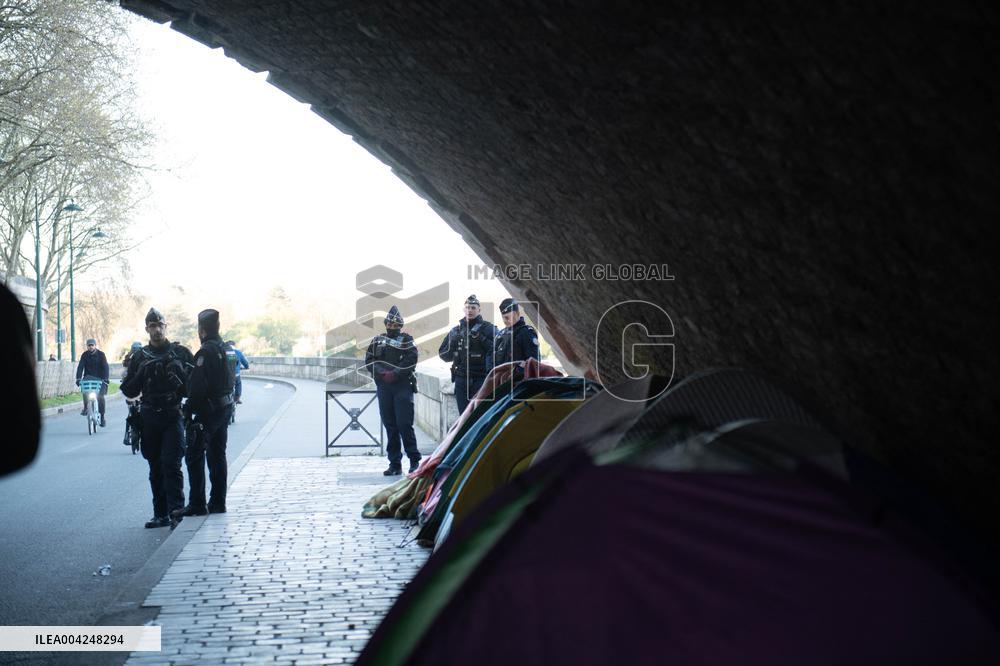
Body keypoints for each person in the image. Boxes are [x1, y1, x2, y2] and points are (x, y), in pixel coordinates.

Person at [121, 308, 194, 529]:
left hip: (173, 414)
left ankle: (176, 511)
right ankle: (160, 513)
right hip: (150, 416)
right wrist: (142, 372)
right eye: (153, 326)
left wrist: (179, 373)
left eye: (160, 325)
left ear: (166, 326)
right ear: (147, 329)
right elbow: (129, 390)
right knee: (155, 467)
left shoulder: (180, 353)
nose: (157, 329)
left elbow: (194, 388)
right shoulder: (140, 357)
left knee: (172, 465)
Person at [175, 309, 236, 517]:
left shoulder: (205, 352)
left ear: (201, 330)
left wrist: (187, 410)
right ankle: (218, 502)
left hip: (208, 412)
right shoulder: (228, 349)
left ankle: (197, 503)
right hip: (225, 408)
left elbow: (197, 388)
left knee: (194, 455)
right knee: (218, 455)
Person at [365, 305, 421, 475]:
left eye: (396, 325)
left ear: (400, 326)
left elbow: (412, 359)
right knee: (390, 425)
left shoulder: (407, 340)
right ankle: (394, 464)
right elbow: (369, 361)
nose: (392, 327)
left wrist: (396, 373)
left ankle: (414, 460)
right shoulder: (377, 340)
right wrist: (383, 373)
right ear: (386, 324)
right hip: (384, 387)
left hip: (402, 386)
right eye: (390, 324)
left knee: (404, 424)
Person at [438, 294, 497, 413]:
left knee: (480, 418)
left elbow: (499, 352)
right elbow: (444, 355)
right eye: (467, 307)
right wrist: (453, 341)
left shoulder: (488, 328)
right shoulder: (456, 330)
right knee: (463, 419)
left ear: (479, 310)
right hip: (461, 380)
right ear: (464, 309)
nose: (470, 310)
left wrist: (482, 339)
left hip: (481, 381)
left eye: (473, 308)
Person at [493, 298, 540, 381]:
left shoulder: (526, 333)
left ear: (517, 313)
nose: (506, 320)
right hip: (501, 381)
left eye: (508, 317)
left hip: (519, 382)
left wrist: (517, 373)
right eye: (504, 317)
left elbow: (534, 362)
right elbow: (492, 355)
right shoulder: (501, 334)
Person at [75, 338, 109, 427]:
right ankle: (86, 408)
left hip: (100, 379)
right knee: (85, 392)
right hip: (88, 378)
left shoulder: (101, 355)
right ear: (87, 346)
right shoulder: (84, 355)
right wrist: (78, 378)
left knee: (100, 397)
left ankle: (102, 417)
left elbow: (106, 367)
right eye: (89, 345)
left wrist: (106, 379)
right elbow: (80, 367)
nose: (90, 347)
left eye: (92, 345)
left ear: (95, 346)